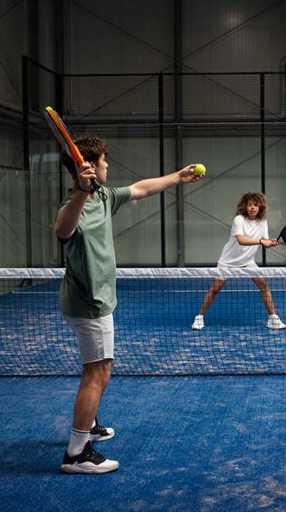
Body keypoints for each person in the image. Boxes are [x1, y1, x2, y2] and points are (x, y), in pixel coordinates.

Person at [55, 134, 200, 474]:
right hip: (89, 303)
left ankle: (88, 426)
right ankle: (76, 453)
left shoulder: (104, 196)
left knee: (95, 368)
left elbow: (140, 188)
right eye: (104, 162)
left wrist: (177, 177)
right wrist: (79, 190)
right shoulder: (74, 203)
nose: (108, 166)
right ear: (87, 167)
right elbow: (62, 231)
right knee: (99, 371)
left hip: (97, 297)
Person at [191, 191, 286, 331]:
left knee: (263, 285)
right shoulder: (239, 220)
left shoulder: (263, 222)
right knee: (216, 289)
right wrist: (261, 241)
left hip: (247, 261)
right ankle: (199, 317)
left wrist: (270, 243)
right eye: (249, 205)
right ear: (245, 207)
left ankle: (273, 318)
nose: (252, 207)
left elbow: (264, 241)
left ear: (260, 207)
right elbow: (241, 240)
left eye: (255, 205)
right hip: (227, 261)